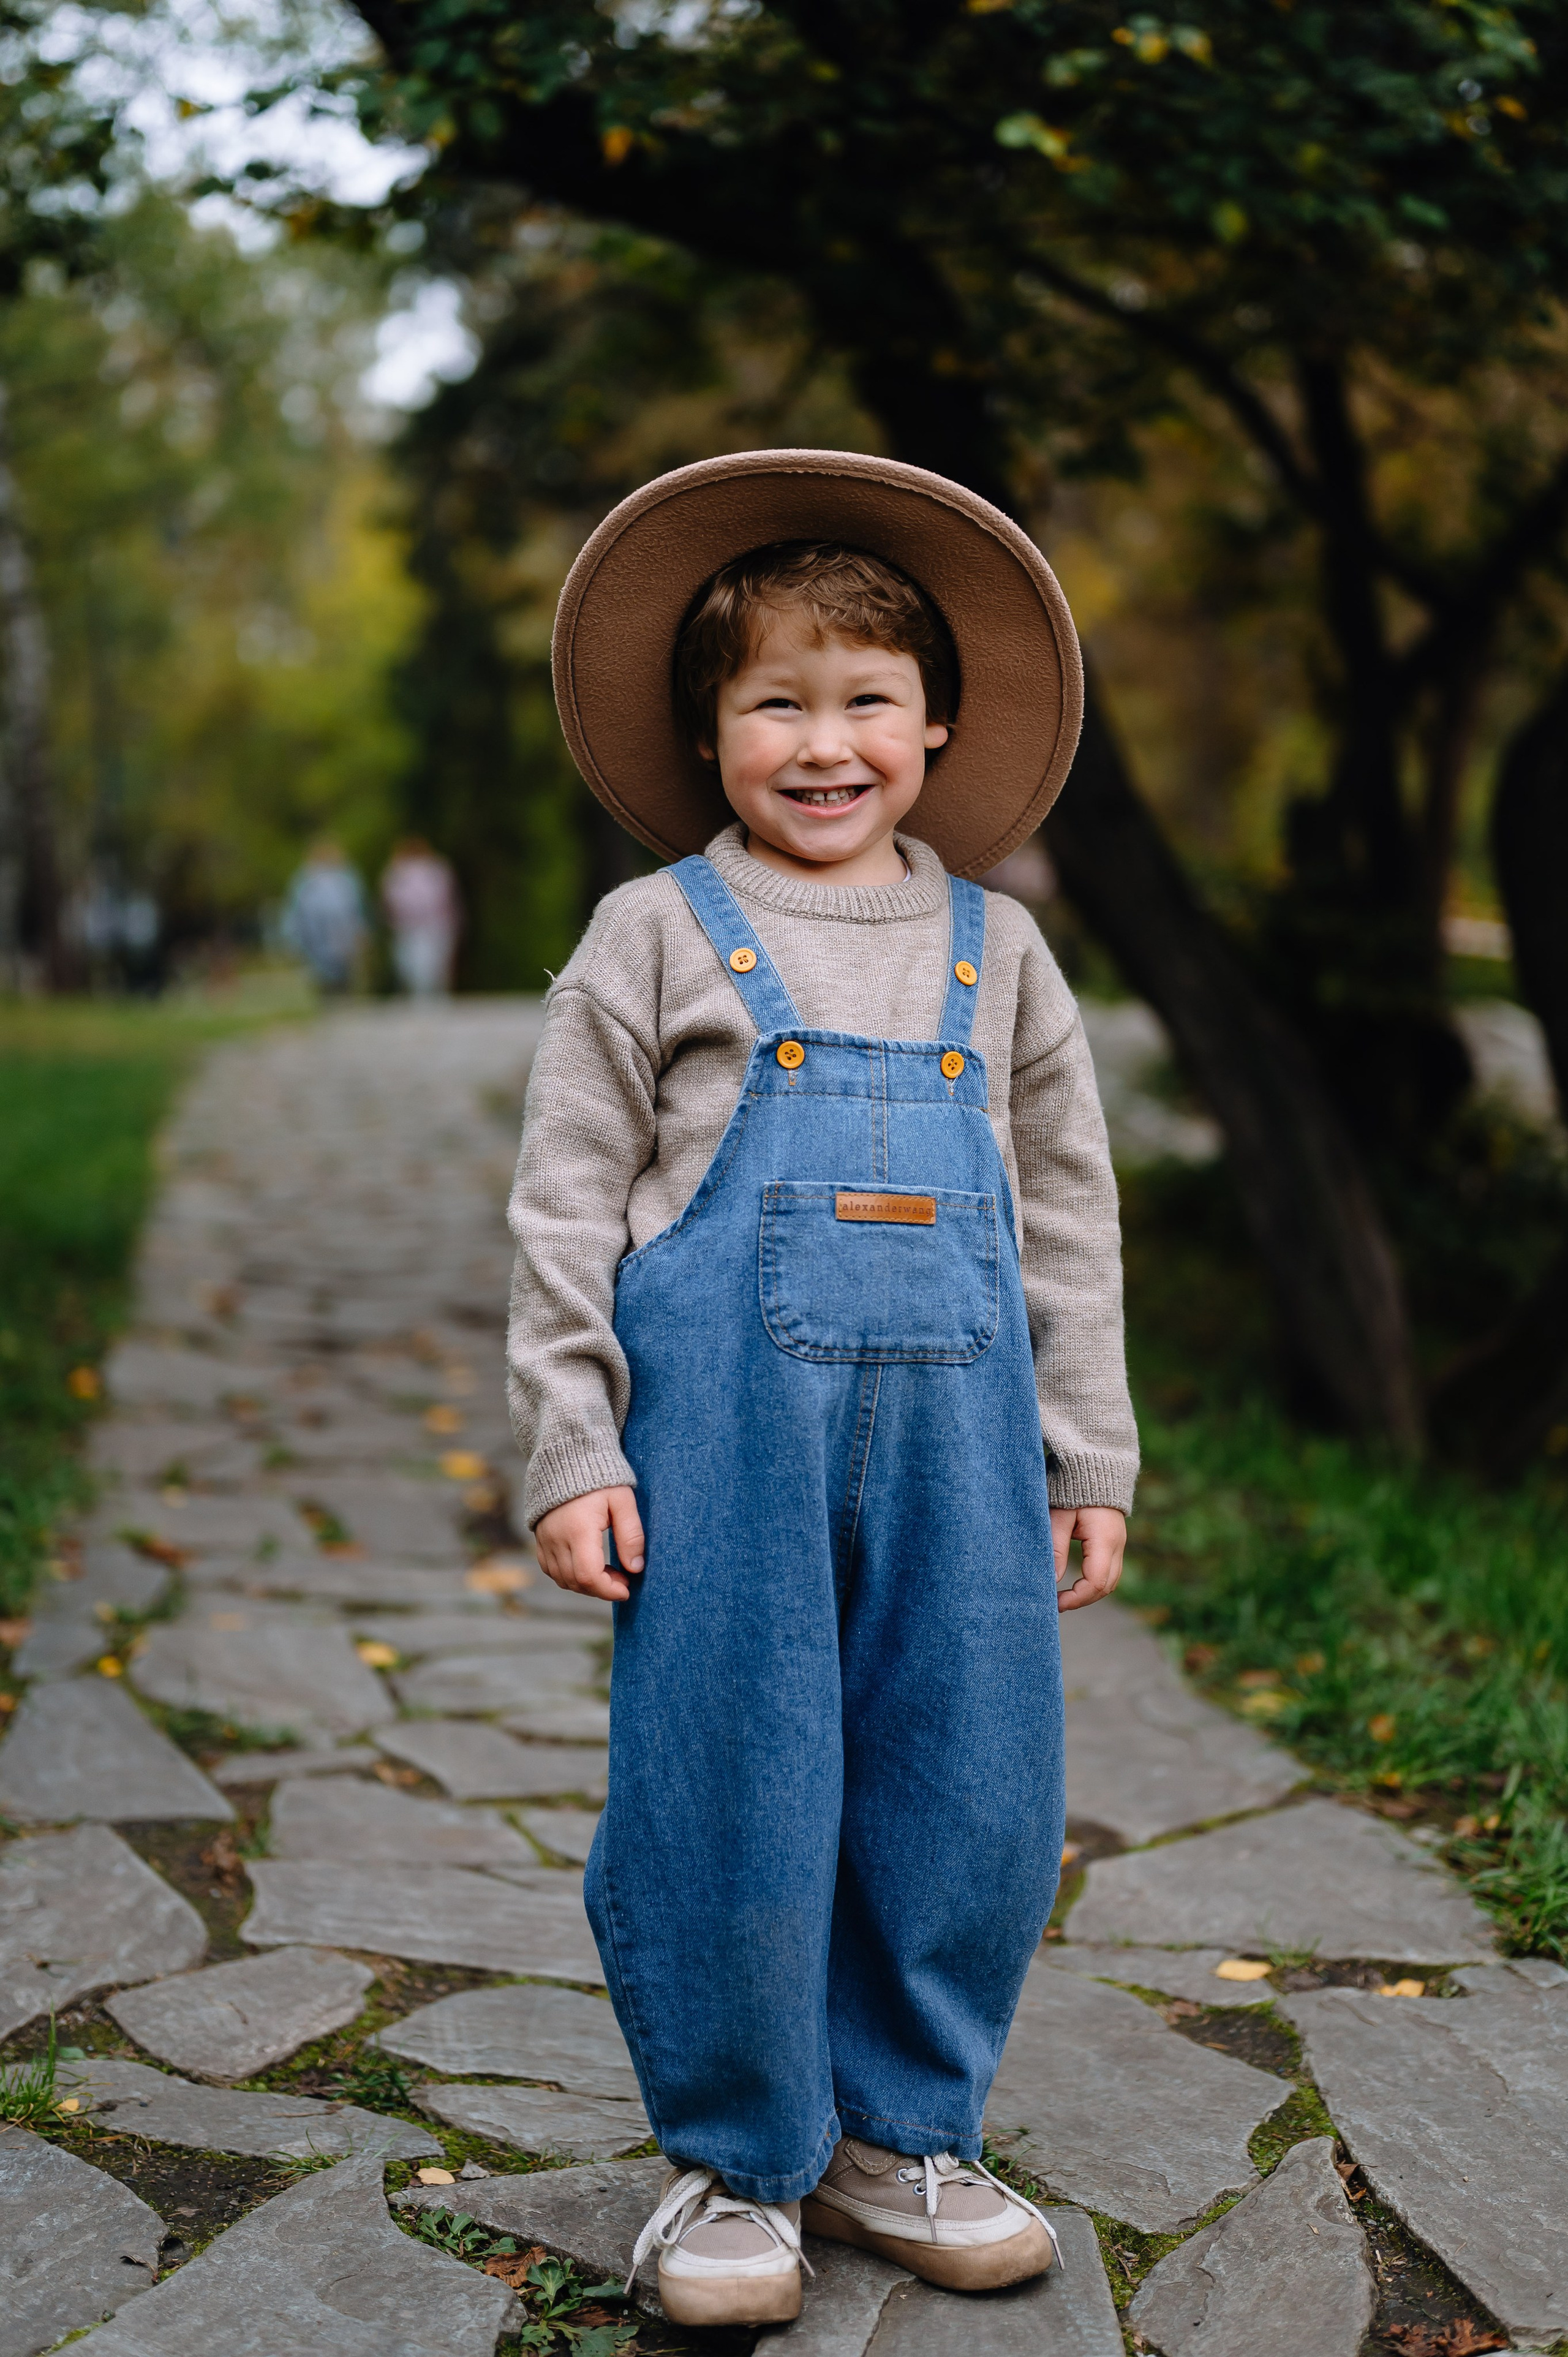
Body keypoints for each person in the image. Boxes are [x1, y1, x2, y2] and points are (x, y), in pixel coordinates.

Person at [507, 452, 1137, 2327]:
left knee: (967, 1772)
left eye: (864, 696)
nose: (822, 739)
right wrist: (568, 1437)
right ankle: (735, 2155)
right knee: (731, 1768)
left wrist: (1081, 1447)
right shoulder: (651, 936)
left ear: (934, 722)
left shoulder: (996, 951)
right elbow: (561, 1201)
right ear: (710, 734)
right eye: (775, 699)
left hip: (960, 1446)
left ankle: (897, 2128)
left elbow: (1069, 1218)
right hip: (723, 1447)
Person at [280, 839, 367, 994]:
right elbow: (358, 906)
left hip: (319, 932)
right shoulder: (346, 876)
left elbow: (294, 908)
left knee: (326, 963)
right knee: (338, 961)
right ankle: (337, 991)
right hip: (336, 930)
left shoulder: (304, 877)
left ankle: (332, 990)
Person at [381, 835, 461, 997]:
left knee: (418, 966)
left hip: (415, 926)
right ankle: (430, 995)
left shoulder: (398, 872)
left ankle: (424, 995)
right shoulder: (436, 870)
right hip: (429, 926)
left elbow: (389, 902)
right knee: (429, 965)